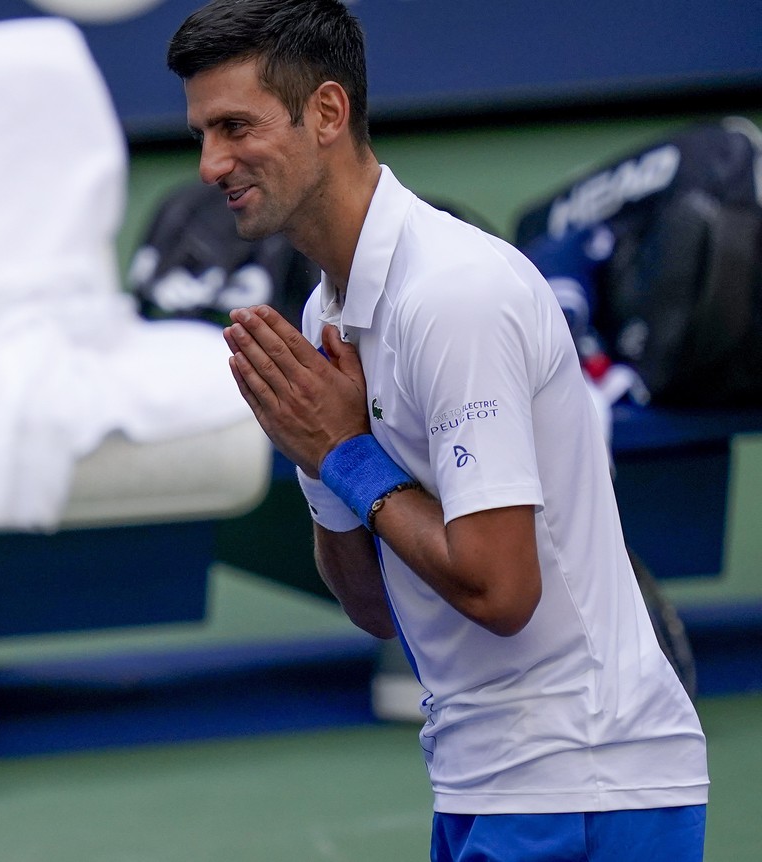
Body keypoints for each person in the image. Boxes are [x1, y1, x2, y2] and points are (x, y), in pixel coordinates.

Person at [166, 2, 709, 860]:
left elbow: (500, 589)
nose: (210, 164)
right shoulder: (326, 312)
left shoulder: (453, 296)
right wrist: (323, 463)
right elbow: (377, 609)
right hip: (487, 779)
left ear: (329, 113)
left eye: (235, 127)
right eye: (202, 133)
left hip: (582, 788)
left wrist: (346, 453)